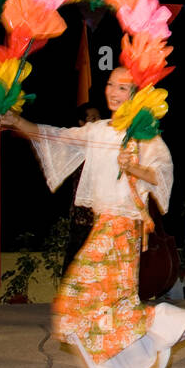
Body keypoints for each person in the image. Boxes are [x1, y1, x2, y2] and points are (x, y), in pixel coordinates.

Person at [0, 68, 185, 368]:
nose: (114, 92)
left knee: (79, 299)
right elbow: (53, 136)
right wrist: (13, 120)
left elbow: (162, 176)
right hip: (104, 225)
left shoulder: (144, 136)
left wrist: (133, 167)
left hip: (123, 229)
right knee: (107, 308)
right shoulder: (99, 131)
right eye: (110, 85)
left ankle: (153, 351)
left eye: (123, 87)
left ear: (137, 94)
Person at [62, 102, 103, 270]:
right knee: (76, 263)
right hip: (83, 215)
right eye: (92, 118)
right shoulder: (77, 143)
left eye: (98, 117)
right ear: (81, 123)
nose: (97, 121)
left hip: (103, 214)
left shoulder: (105, 142)